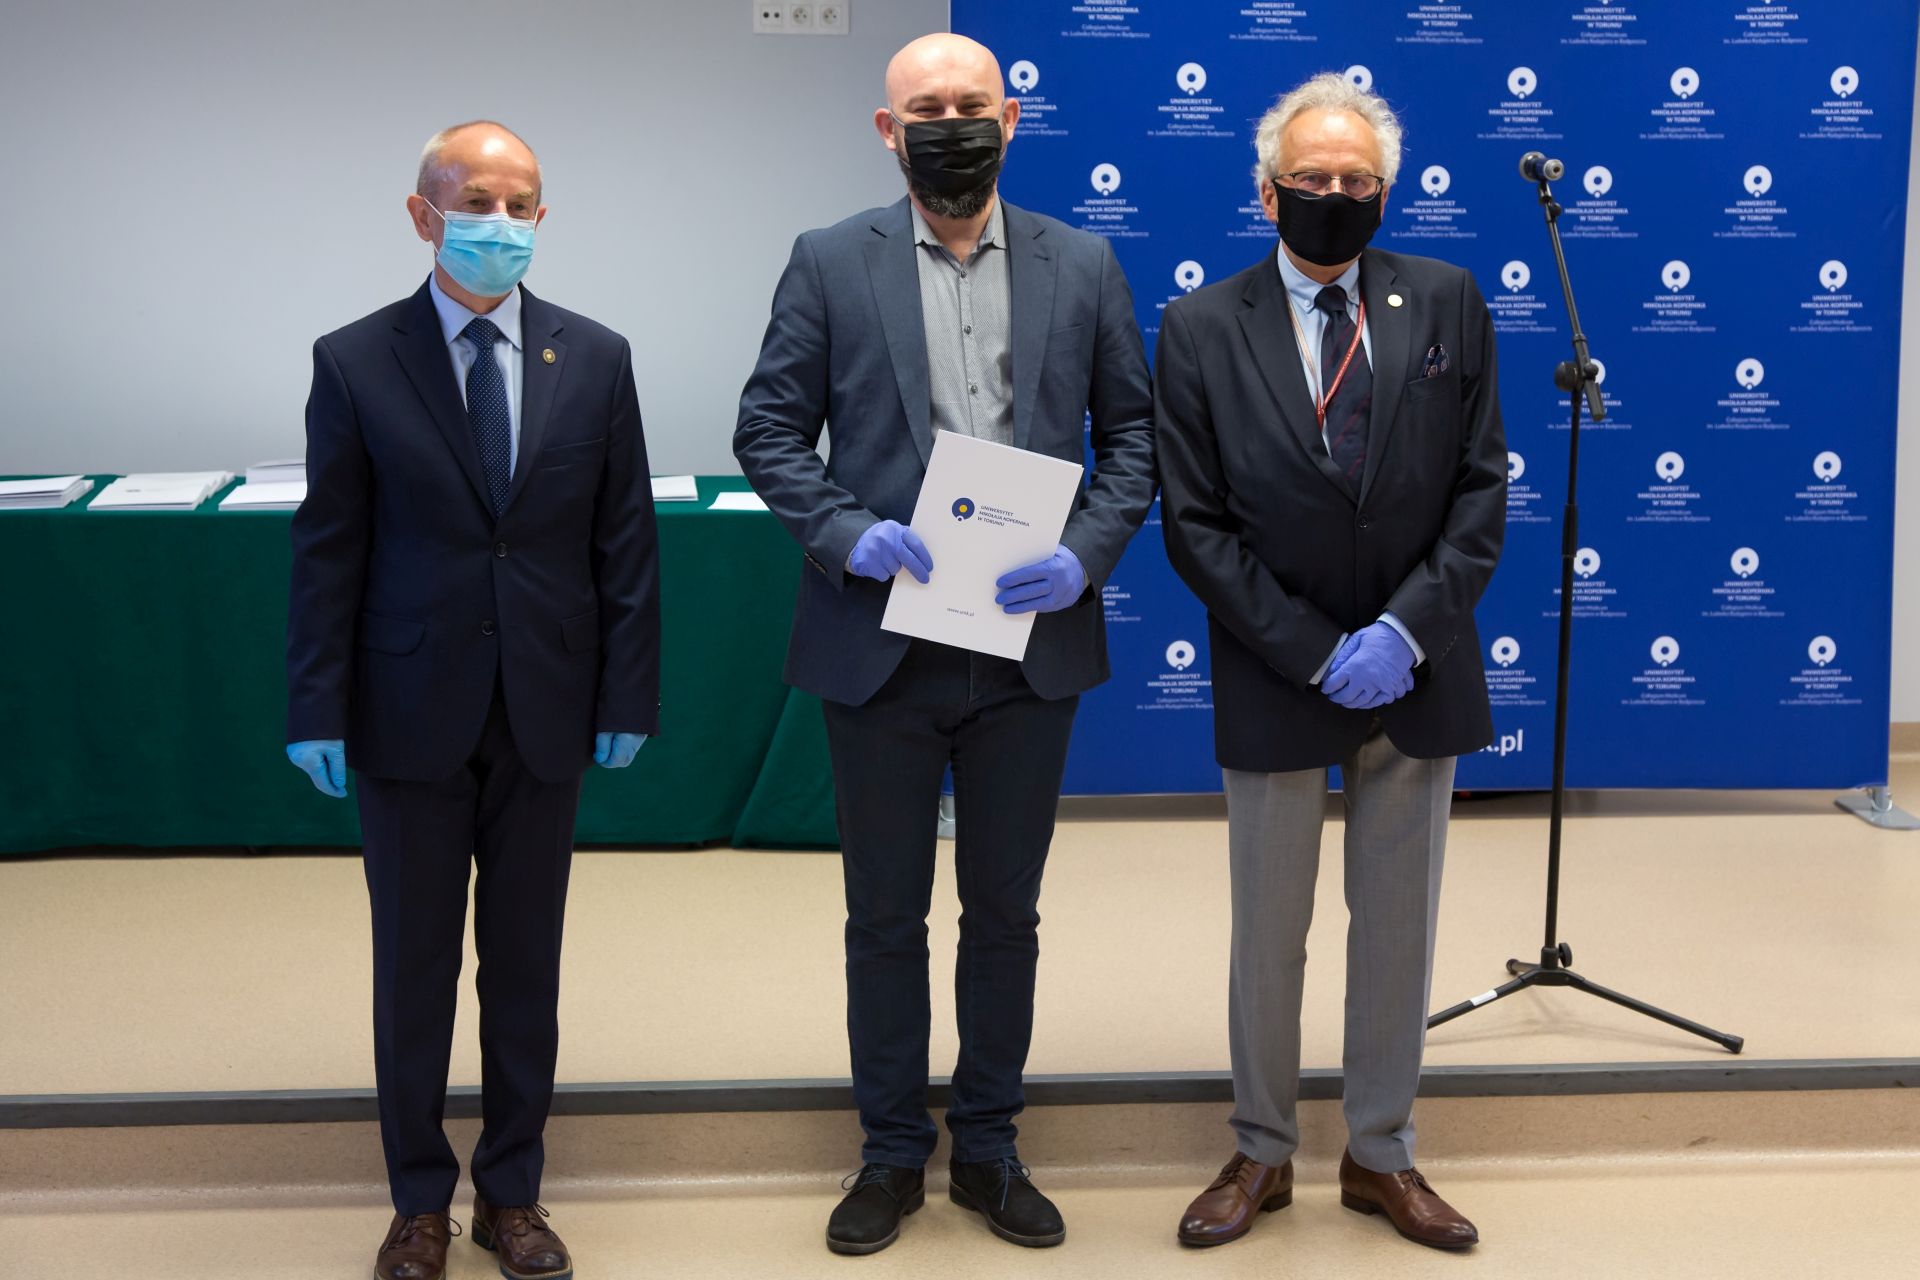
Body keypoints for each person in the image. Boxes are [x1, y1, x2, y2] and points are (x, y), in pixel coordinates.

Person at [735, 32, 1156, 1258]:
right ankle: (887, 1152)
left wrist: (1085, 552)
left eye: (973, 103)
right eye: (928, 107)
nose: (953, 122)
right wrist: (845, 533)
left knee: (1005, 912)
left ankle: (988, 1145)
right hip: (881, 645)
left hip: (1030, 645)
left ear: (1010, 117)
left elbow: (1133, 438)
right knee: (883, 915)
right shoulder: (829, 260)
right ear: (889, 128)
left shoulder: (1083, 262)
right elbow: (769, 429)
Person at [284, 120, 659, 1280]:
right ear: (423, 214)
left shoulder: (596, 356)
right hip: (406, 707)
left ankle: (512, 1189)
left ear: (543, 218)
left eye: (521, 204)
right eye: (476, 200)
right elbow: (329, 547)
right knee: (414, 964)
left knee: (525, 962)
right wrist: (315, 705)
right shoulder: (356, 359)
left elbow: (626, 542)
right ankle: (416, 1200)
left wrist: (629, 689)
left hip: (547, 701)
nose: (501, 222)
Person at [1156, 73, 1506, 1252]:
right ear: (1268, 193)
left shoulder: (1448, 299)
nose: (1337, 195)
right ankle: (1261, 1148)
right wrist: (1316, 650)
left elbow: (1481, 489)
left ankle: (1380, 1152)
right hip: (1276, 666)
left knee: (1397, 929)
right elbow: (1195, 523)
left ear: (1387, 192)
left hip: (1418, 668)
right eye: (1313, 178)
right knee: (1270, 930)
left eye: (1359, 180)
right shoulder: (1202, 326)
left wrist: (1401, 634)